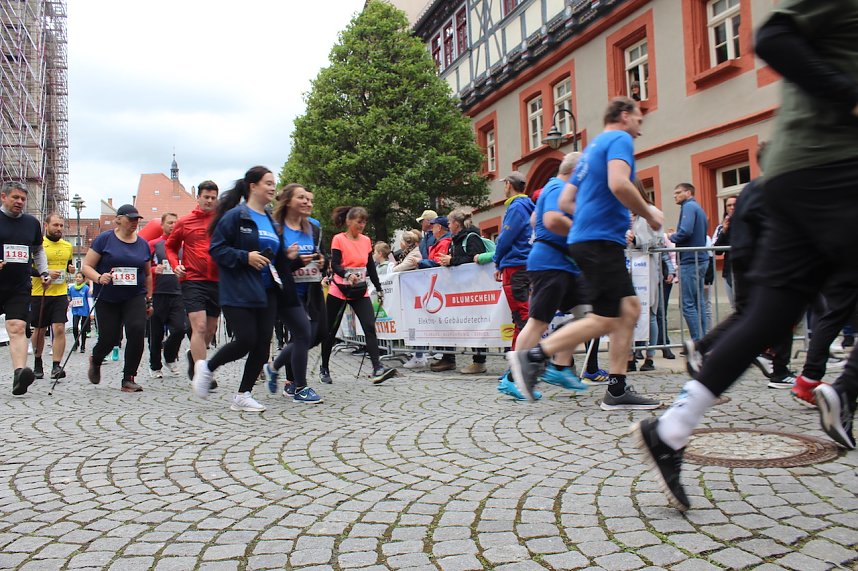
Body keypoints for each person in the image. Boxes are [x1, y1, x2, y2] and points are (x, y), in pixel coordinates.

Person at [634, 1, 858, 513]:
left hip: (802, 174)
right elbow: (773, 35)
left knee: (770, 314)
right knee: (768, 312)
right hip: (834, 170)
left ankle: (671, 429)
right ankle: (846, 391)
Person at [506, 97, 664, 410]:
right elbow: (619, 184)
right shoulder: (619, 139)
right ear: (624, 116)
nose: (640, 129)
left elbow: (567, 201)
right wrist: (649, 214)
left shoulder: (590, 151)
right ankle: (534, 357)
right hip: (600, 242)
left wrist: (591, 218)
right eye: (638, 120)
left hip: (591, 239)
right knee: (606, 317)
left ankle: (617, 388)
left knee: (628, 309)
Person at [192, 166, 303, 411]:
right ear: (253, 186)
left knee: (262, 347)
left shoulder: (270, 220)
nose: (273, 187)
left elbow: (276, 259)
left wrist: (290, 258)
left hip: (267, 290)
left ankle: (243, 395)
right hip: (238, 289)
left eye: (274, 183)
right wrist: (246, 257)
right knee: (246, 340)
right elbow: (217, 249)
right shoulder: (236, 216)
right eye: (268, 183)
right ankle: (207, 367)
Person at [507, 152, 588, 400]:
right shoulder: (557, 187)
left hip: (563, 263)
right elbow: (550, 219)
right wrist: (584, 231)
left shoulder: (553, 190)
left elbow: (535, 220)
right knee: (538, 322)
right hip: (551, 263)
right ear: (575, 172)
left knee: (588, 316)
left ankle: (560, 366)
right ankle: (512, 378)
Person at [319, 206, 396, 385]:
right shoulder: (339, 239)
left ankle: (377, 367)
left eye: (364, 222)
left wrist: (379, 288)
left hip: (360, 291)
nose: (362, 225)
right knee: (330, 330)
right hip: (340, 291)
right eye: (359, 222)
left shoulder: (366, 240)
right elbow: (335, 265)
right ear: (349, 221)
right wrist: (347, 274)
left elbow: (370, 267)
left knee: (369, 326)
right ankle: (324, 367)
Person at [81, 204, 154, 392]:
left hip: (134, 296)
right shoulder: (105, 240)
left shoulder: (142, 244)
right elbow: (86, 266)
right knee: (110, 338)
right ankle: (96, 359)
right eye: (130, 219)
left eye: (137, 219)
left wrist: (149, 298)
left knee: (137, 331)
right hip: (108, 297)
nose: (134, 223)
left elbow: (147, 274)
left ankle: (129, 378)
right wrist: (99, 277)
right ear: (118, 220)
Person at [264, 183, 323, 404]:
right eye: (302, 198)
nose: (307, 202)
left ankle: (274, 366)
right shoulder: (276, 229)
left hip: (312, 289)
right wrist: (293, 260)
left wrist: (322, 261)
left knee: (317, 334)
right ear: (288, 202)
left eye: (309, 199)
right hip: (288, 291)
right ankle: (299, 387)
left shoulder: (314, 227)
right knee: (302, 334)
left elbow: (320, 254)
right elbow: (271, 265)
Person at [166, 180, 220, 381]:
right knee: (200, 327)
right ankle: (202, 374)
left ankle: (193, 355)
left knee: (211, 329)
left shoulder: (220, 221)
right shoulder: (185, 222)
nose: (209, 201)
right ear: (198, 197)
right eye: (206, 197)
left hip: (217, 280)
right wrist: (175, 265)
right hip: (193, 280)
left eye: (213, 198)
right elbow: (170, 246)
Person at [0, 182, 49, 395]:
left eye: (22, 198)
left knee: (17, 327)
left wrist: (44, 272)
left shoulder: (31, 223)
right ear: (3, 197)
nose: (20, 202)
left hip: (19, 286)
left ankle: (19, 375)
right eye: (15, 197)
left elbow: (38, 250)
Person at [437, 209, 489, 375]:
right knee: (469, 325)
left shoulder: (471, 237)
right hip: (461, 290)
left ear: (456, 224)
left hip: (475, 289)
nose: (448, 225)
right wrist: (448, 261)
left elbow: (476, 259)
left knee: (476, 325)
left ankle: (479, 362)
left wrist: (452, 260)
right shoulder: (455, 240)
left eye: (449, 222)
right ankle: (474, 361)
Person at [30, 213, 75, 381]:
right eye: (55, 225)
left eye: (61, 225)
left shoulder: (67, 246)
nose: (59, 228)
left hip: (60, 293)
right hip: (40, 292)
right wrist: (45, 272)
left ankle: (57, 366)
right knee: (40, 330)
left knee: (59, 328)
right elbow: (29, 268)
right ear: (46, 226)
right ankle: (37, 362)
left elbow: (69, 264)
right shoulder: (38, 244)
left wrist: (71, 269)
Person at [493, 171, 534, 349]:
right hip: (527, 264)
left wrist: (497, 261)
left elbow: (505, 238)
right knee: (522, 315)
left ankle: (530, 357)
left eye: (504, 184)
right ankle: (517, 357)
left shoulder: (516, 207)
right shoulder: (530, 206)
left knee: (521, 315)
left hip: (515, 267)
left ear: (509, 185)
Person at [147, 212, 186, 378]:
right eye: (170, 223)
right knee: (156, 334)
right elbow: (143, 267)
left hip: (177, 293)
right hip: (158, 293)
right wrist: (154, 269)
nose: (173, 226)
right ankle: (155, 366)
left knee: (180, 329)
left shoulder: (183, 246)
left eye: (176, 223)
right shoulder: (153, 244)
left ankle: (170, 357)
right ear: (162, 225)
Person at [669, 183, 709, 341]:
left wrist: (671, 237)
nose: (675, 195)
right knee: (699, 303)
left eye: (678, 192)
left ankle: (698, 343)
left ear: (688, 192)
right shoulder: (697, 208)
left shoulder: (689, 207)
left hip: (691, 260)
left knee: (687, 304)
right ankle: (703, 341)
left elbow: (685, 231)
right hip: (699, 259)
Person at [68, 272, 92, 353]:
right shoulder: (72, 288)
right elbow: (69, 297)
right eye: (77, 277)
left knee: (83, 329)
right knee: (75, 327)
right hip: (75, 310)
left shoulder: (86, 288)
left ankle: (83, 346)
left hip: (84, 310)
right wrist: (69, 302)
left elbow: (89, 299)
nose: (78, 279)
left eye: (80, 277)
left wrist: (91, 312)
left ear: (83, 279)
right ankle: (76, 342)